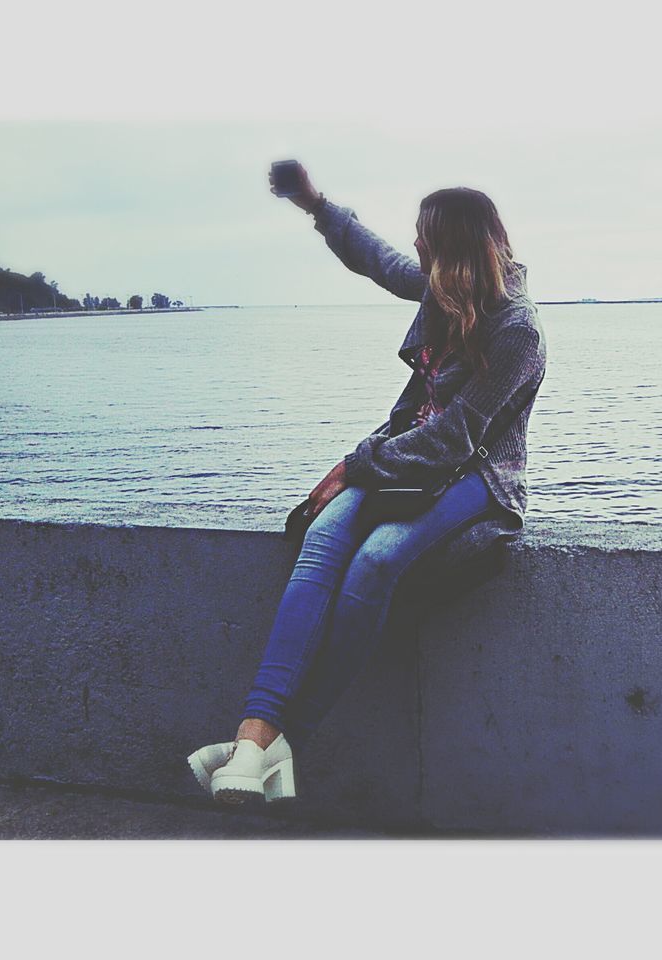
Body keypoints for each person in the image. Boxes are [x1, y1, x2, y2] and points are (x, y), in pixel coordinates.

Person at [186, 162, 548, 805]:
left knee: (375, 561)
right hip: (404, 461)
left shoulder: (517, 328)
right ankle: (254, 734)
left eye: (424, 237)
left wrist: (353, 465)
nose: (414, 246)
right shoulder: (443, 289)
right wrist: (313, 203)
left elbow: (454, 439)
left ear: (454, 248)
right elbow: (375, 258)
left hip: (477, 475)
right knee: (324, 535)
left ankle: (286, 739)